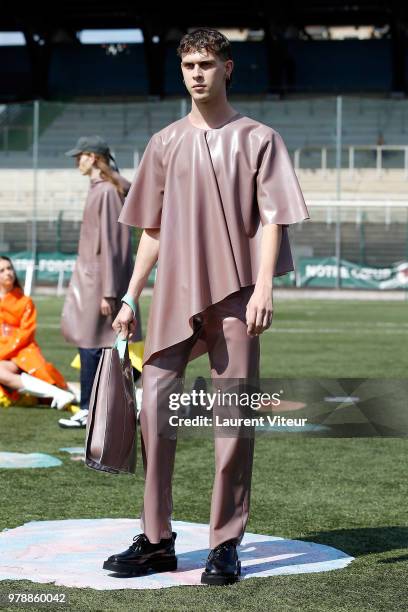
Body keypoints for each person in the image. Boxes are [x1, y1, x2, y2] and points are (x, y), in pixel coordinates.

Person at [103, 28, 310, 585]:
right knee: (155, 411)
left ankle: (224, 544)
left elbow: (274, 218)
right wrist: (129, 296)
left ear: (228, 67)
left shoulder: (260, 138)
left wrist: (264, 286)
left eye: (207, 63)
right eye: (188, 64)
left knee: (232, 421)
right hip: (175, 295)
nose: (197, 73)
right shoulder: (164, 142)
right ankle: (155, 539)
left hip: (239, 296)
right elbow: (151, 230)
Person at [59, 136, 142, 429]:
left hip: (98, 286)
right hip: (93, 282)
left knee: (94, 346)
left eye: (79, 156)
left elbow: (112, 244)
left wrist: (108, 292)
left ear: (92, 157)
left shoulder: (106, 192)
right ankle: (111, 403)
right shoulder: (102, 190)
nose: (76, 162)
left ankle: (89, 407)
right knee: (97, 346)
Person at [0, 256, 74, 409]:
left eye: (9, 268)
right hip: (4, 358)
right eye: (2, 270)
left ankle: (59, 393)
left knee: (53, 381)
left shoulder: (25, 302)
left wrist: (2, 353)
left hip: (23, 354)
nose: (8, 273)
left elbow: (24, 336)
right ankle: (59, 394)